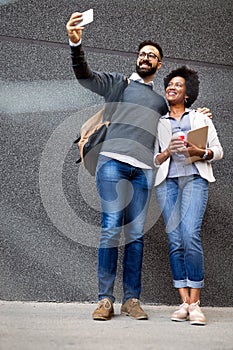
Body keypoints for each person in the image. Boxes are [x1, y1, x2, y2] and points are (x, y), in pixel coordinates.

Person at [66, 12, 212, 321]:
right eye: (143, 53)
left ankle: (131, 299)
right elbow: (85, 76)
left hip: (144, 171)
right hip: (112, 165)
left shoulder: (160, 102)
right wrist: (75, 44)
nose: (146, 58)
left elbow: (177, 118)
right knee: (109, 230)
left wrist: (198, 114)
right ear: (137, 60)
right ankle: (105, 299)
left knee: (135, 235)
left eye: (153, 56)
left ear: (159, 65)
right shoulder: (119, 85)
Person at [154, 66, 223, 325]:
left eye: (178, 85)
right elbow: (154, 158)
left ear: (187, 93)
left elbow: (218, 151)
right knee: (174, 239)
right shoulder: (159, 122)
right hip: (167, 183)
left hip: (195, 179)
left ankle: (195, 303)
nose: (171, 87)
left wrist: (200, 150)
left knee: (190, 234)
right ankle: (183, 302)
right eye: (169, 84)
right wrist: (166, 153)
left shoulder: (200, 118)